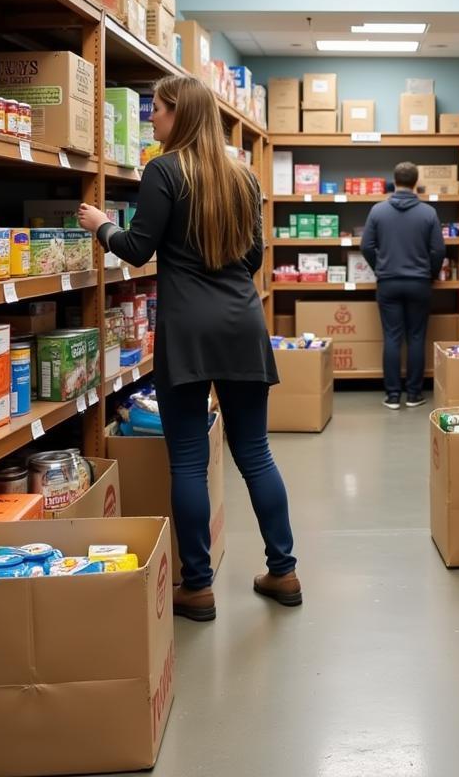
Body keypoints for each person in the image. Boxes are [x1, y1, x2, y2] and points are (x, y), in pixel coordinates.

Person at [77, 76, 300, 623]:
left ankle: (197, 587)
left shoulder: (164, 171)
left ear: (180, 115)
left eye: (157, 110)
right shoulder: (243, 178)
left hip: (188, 330)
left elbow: (137, 248)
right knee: (255, 453)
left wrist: (102, 225)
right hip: (243, 325)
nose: (151, 118)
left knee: (188, 462)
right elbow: (252, 260)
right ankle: (284, 570)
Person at [361, 161, 446, 410]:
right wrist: (428, 272)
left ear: (395, 181)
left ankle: (392, 396)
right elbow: (438, 250)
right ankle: (414, 394)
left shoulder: (378, 211)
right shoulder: (428, 213)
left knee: (392, 337)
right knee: (417, 337)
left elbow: (366, 246)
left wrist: (380, 268)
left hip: (388, 282)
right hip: (419, 282)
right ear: (415, 182)